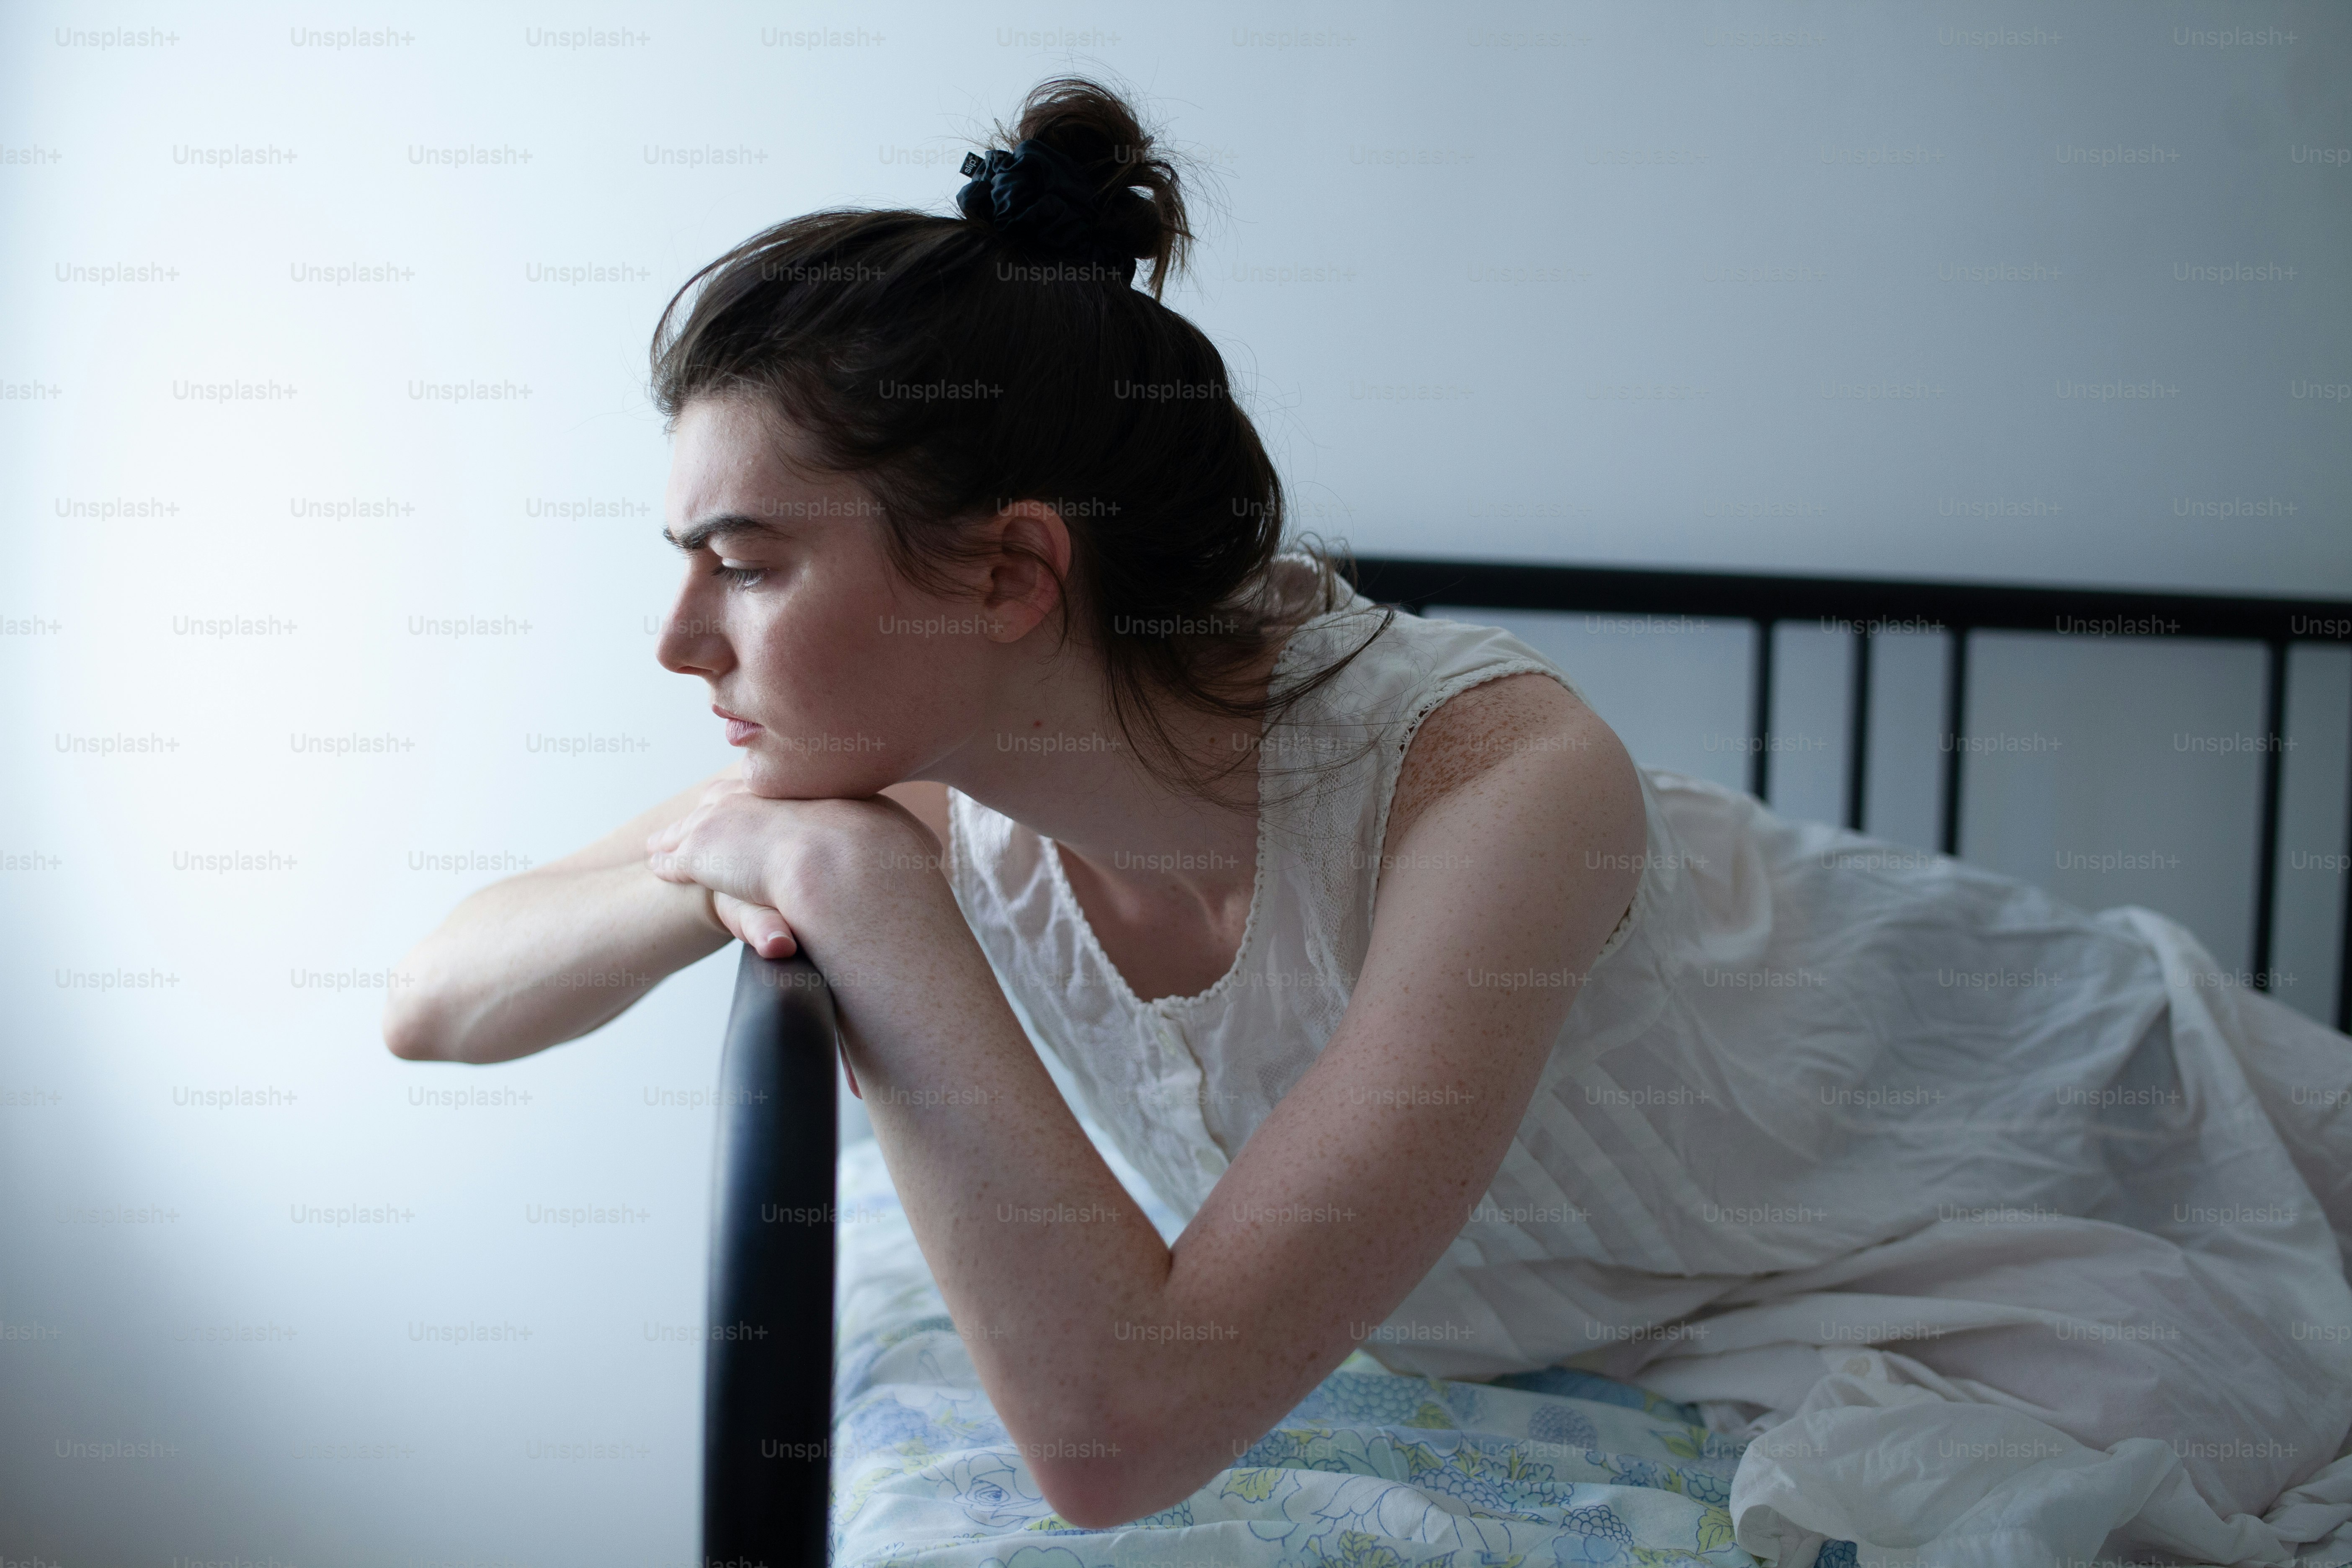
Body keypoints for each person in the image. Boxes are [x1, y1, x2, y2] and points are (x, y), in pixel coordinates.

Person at [384, 76, 2352, 1562]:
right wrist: (777, 852)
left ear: (1010, 575)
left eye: (743, 564)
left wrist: (848, 888)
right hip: (1711, 1285)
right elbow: (439, 1001)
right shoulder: (899, 770)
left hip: (2073, 1139)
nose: (677, 640)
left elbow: (1116, 1439)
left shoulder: (1493, 783)